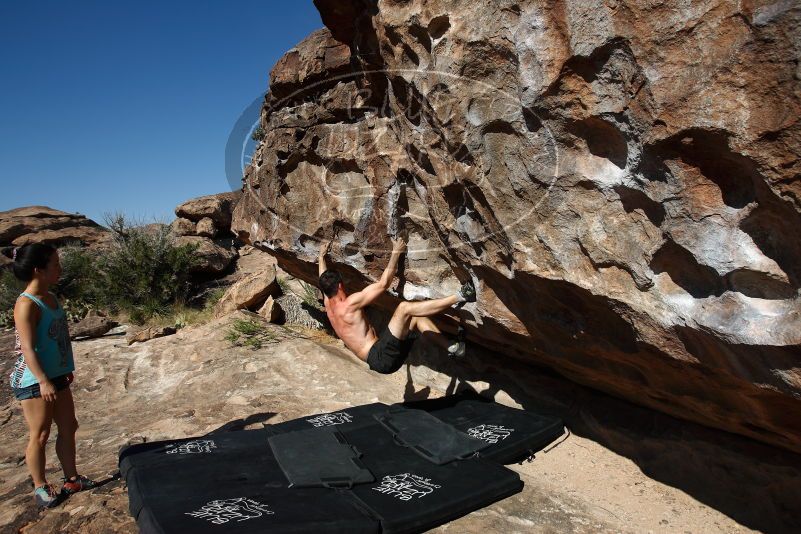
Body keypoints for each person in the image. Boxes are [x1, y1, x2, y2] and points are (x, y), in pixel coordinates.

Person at [6, 244, 96, 508]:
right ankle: (40, 486)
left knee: (69, 426)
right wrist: (44, 381)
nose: (60, 268)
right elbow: (28, 349)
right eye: (55, 264)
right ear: (38, 270)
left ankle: (72, 479)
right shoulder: (26, 305)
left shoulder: (51, 297)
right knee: (41, 433)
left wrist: (65, 369)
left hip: (56, 375)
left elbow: (58, 338)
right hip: (34, 379)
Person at [317, 237, 475, 374]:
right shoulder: (350, 304)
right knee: (404, 308)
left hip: (379, 361)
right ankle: (462, 295)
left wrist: (321, 257)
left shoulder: (329, 304)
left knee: (415, 318)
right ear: (339, 286)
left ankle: (453, 348)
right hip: (381, 355)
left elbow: (322, 279)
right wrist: (396, 251)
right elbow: (384, 284)